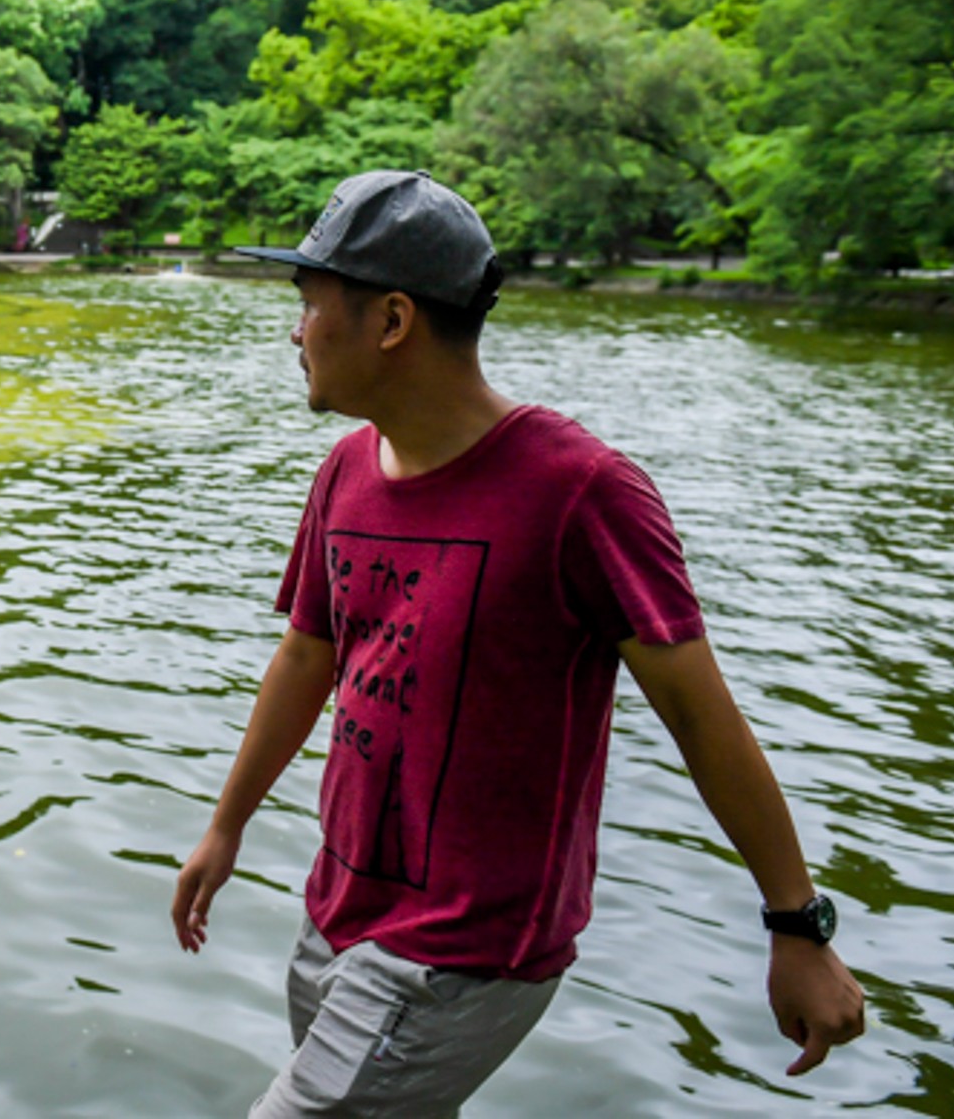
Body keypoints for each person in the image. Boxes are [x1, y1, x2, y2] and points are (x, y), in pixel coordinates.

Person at [170, 171, 865, 1116]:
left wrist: (797, 925)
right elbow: (306, 656)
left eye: (307, 304)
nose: (295, 334)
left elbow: (701, 718)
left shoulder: (582, 493)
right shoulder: (345, 471)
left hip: (468, 953)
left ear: (392, 321)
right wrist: (227, 824)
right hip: (339, 911)